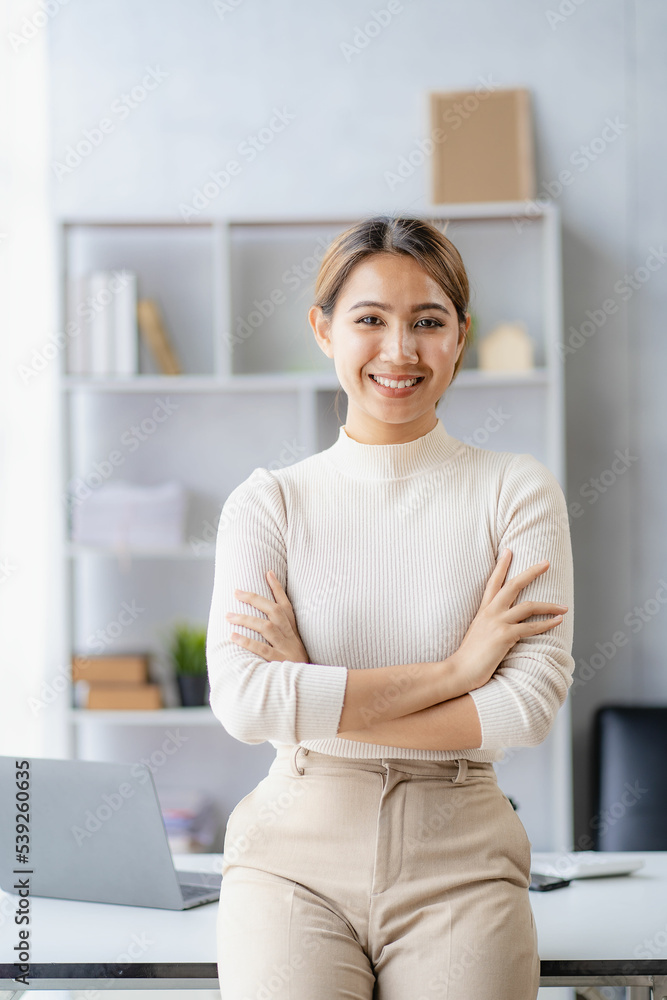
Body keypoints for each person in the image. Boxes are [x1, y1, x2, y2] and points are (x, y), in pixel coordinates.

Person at [206, 215, 574, 1000]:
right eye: (369, 319)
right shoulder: (268, 504)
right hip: (289, 860)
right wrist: (454, 670)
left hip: (462, 857)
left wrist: (310, 689)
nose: (399, 350)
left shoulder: (515, 490)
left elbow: (525, 708)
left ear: (460, 336)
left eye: (427, 322)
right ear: (323, 329)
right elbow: (245, 702)